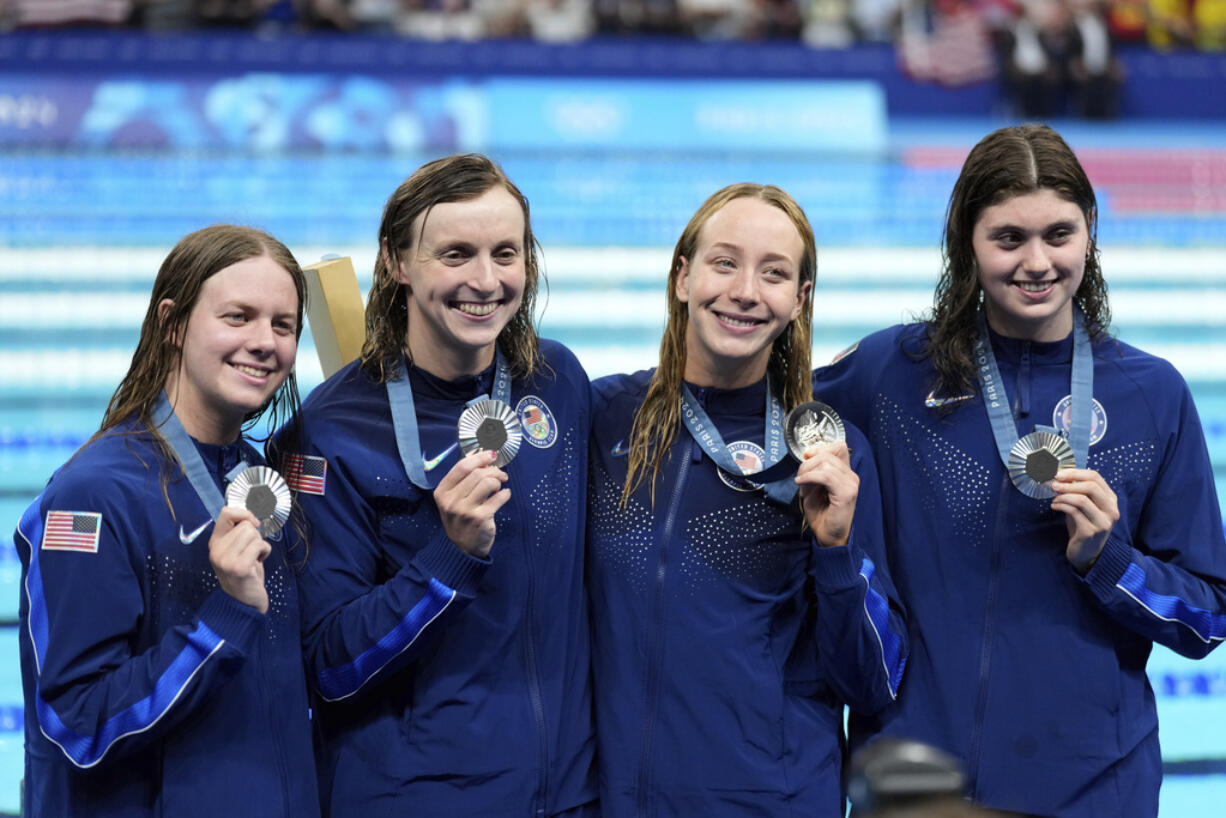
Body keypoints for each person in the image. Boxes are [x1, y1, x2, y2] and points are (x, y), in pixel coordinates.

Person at [815, 123, 1226, 817]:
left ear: (1090, 230)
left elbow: (1208, 616)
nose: (1036, 262)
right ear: (966, 243)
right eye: (1008, 238)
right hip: (919, 785)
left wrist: (1108, 560)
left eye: (1058, 235)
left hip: (1096, 789)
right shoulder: (891, 373)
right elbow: (767, 422)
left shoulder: (1151, 395)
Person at [288, 153, 597, 816]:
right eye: (456, 254)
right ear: (398, 262)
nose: (485, 281)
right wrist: (447, 556)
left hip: (563, 797)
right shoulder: (331, 428)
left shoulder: (559, 382)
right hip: (415, 797)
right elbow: (327, 667)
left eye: (505, 253)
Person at [587, 183, 908, 817]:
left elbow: (873, 681)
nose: (744, 292)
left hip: (773, 801)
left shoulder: (830, 459)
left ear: (799, 299)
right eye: (724, 262)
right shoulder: (602, 420)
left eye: (774, 273)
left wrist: (837, 551)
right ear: (683, 276)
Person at [14, 225, 319, 817]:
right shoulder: (94, 496)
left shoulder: (261, 482)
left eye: (283, 325)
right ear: (172, 324)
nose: (265, 342)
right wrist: (223, 617)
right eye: (238, 317)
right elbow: (77, 725)